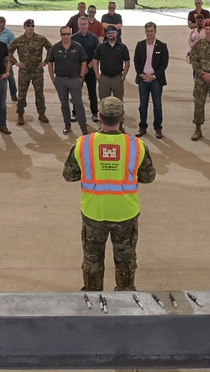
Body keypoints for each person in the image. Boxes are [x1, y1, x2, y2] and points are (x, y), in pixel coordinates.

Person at [62, 96, 156, 292]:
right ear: (122, 117)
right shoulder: (136, 145)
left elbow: (69, 176)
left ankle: (93, 297)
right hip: (125, 214)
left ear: (101, 117)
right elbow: (148, 177)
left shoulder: (83, 144)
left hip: (94, 213)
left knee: (93, 259)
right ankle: (125, 294)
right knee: (125, 259)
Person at [47, 26, 90, 135]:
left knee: (78, 104)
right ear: (60, 35)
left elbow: (84, 61)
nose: (66, 36)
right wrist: (53, 77)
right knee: (64, 104)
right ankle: (67, 125)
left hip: (75, 80)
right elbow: (50, 62)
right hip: (61, 80)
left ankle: (83, 127)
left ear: (71, 34)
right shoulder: (55, 48)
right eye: (64, 34)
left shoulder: (77, 47)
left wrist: (81, 76)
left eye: (68, 34)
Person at [9, 18, 52, 125]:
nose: (30, 28)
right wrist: (16, 63)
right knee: (22, 94)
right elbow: (8, 51)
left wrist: (45, 62)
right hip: (24, 71)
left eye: (32, 26)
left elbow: (51, 49)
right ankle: (20, 114)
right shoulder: (19, 40)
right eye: (28, 26)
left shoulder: (40, 39)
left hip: (37, 71)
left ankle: (41, 113)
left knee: (39, 93)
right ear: (24, 27)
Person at [133, 22, 169, 139]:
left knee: (157, 105)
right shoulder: (140, 45)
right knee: (142, 105)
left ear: (155, 31)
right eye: (147, 31)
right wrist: (141, 74)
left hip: (156, 80)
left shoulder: (162, 46)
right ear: (145, 32)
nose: (149, 33)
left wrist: (154, 76)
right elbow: (136, 61)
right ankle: (142, 126)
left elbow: (164, 64)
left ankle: (158, 128)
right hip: (143, 80)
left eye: (151, 31)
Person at [92, 26, 130, 122]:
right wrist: (97, 75)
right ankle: (104, 123)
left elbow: (127, 62)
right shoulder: (101, 47)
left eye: (113, 32)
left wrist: (123, 76)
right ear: (106, 34)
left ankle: (120, 123)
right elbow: (95, 61)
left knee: (118, 102)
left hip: (117, 78)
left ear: (117, 33)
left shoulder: (122, 47)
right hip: (104, 78)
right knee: (104, 102)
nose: (111, 34)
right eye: (108, 33)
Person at [71, 16, 101, 123]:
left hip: (90, 69)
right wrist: (80, 68)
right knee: (76, 92)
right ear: (78, 26)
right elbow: (72, 55)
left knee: (92, 92)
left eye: (85, 24)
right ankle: (75, 113)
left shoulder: (94, 38)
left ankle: (94, 113)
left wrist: (88, 67)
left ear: (88, 25)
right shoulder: (73, 38)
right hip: (77, 70)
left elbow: (96, 56)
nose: (83, 26)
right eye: (81, 24)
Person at [0, 16, 18, 100]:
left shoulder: (9, 34)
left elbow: (14, 46)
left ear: (4, 24)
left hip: (6, 59)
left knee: (10, 77)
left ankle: (13, 95)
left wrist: (8, 56)